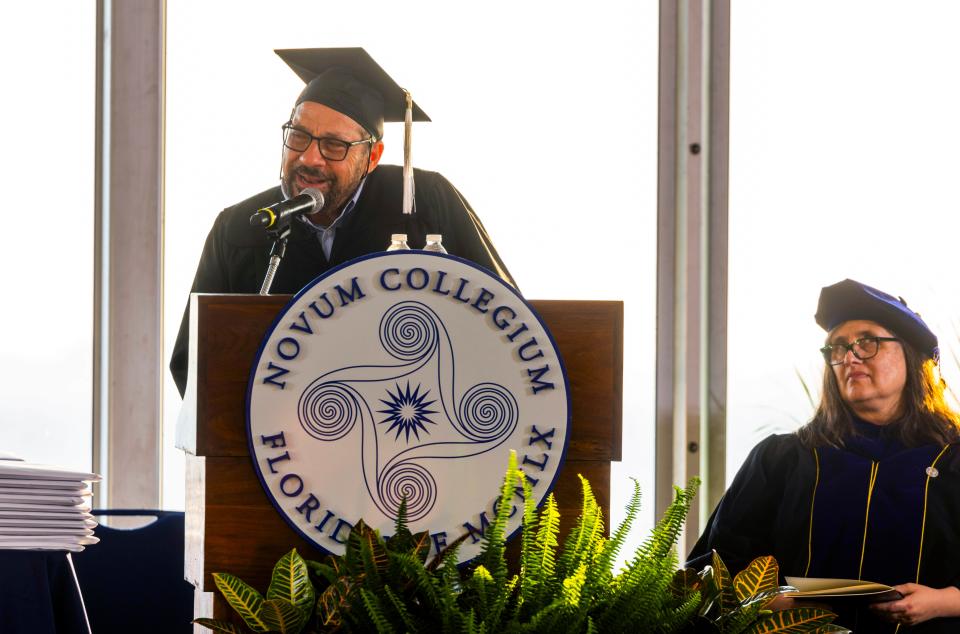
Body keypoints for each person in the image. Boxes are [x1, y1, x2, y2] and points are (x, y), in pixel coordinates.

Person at [170, 48, 515, 396]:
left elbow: (508, 320)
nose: (308, 157)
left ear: (372, 157)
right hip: (278, 444)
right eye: (299, 135)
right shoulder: (241, 229)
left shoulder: (425, 202)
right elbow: (191, 365)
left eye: (333, 145)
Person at [688, 278, 960, 632]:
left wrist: (943, 602)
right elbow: (711, 569)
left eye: (867, 341)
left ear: (910, 353)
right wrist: (773, 600)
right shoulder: (783, 460)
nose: (849, 356)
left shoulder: (953, 461)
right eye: (837, 347)